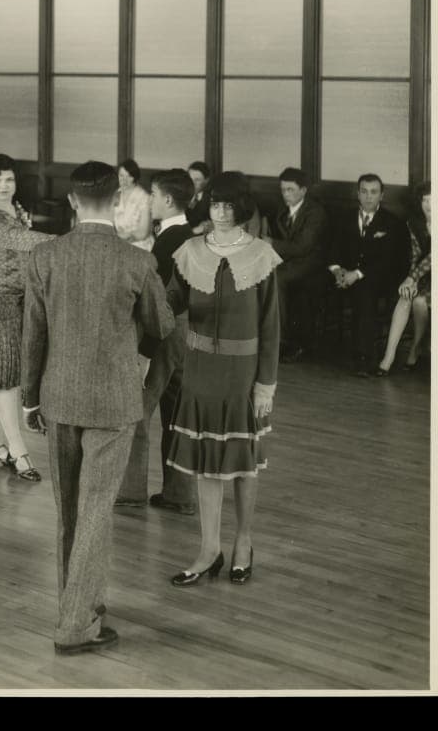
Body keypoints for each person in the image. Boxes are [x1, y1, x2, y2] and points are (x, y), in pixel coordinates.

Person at [21, 161, 175, 654]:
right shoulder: (137, 261)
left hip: (59, 397)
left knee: (69, 511)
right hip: (113, 400)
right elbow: (163, 324)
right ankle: (75, 624)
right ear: (115, 202)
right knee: (94, 513)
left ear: (71, 202)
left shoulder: (45, 257)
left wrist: (29, 398)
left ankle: (78, 607)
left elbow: (33, 337)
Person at [163, 172, 281, 589]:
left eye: (230, 205)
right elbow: (169, 303)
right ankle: (209, 548)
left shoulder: (262, 255)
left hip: (242, 376)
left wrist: (265, 384)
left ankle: (243, 542)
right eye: (215, 204)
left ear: (242, 209)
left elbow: (271, 327)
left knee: (242, 463)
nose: (222, 212)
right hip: (198, 372)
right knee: (205, 465)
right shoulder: (190, 250)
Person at [116, 168, 199, 513]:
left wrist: (144, 352)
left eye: (152, 195)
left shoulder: (169, 241)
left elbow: (158, 304)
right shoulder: (191, 235)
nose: (149, 201)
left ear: (166, 200)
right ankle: (179, 495)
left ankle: (131, 491)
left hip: (164, 333)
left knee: (138, 407)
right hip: (187, 333)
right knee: (177, 413)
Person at [0, 153, 56, 482]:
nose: (5, 186)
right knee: (5, 377)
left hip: (20, 296)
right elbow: (20, 240)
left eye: (10, 180)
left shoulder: (17, 209)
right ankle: (19, 453)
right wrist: (67, 242)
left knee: (3, 375)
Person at [327, 173, 410, 377]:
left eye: (374, 192)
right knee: (318, 283)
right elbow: (333, 249)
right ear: (358, 194)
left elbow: (389, 261)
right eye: (364, 191)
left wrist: (357, 274)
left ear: (382, 195)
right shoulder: (343, 217)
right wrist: (338, 270)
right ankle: (310, 348)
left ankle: (364, 358)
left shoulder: (393, 223)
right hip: (346, 274)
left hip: (380, 277)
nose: (368, 197)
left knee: (365, 291)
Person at [265, 168, 328, 363]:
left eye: (290, 190)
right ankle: (267, 335)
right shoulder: (282, 208)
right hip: (290, 261)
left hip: (311, 263)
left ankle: (282, 341)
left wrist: (272, 244)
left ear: (303, 190)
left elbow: (303, 247)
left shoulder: (316, 212)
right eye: (283, 190)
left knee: (277, 278)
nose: (286, 194)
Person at [377, 181, 432, 375]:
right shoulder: (414, 223)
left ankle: (415, 350)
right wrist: (410, 278)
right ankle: (389, 356)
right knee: (407, 296)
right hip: (423, 274)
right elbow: (416, 255)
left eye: (433, 199)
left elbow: (435, 257)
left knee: (419, 302)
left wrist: (412, 277)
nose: (429, 205)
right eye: (425, 200)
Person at [114, 158, 153, 251]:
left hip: (140, 246)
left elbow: (143, 233)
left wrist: (125, 236)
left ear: (135, 177)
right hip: (117, 243)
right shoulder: (115, 194)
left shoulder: (144, 197)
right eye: (121, 176)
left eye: (129, 176)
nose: (124, 180)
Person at [185, 161, 211, 231]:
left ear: (206, 180)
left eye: (197, 180)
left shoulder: (211, 200)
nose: (192, 183)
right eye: (190, 179)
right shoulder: (181, 196)